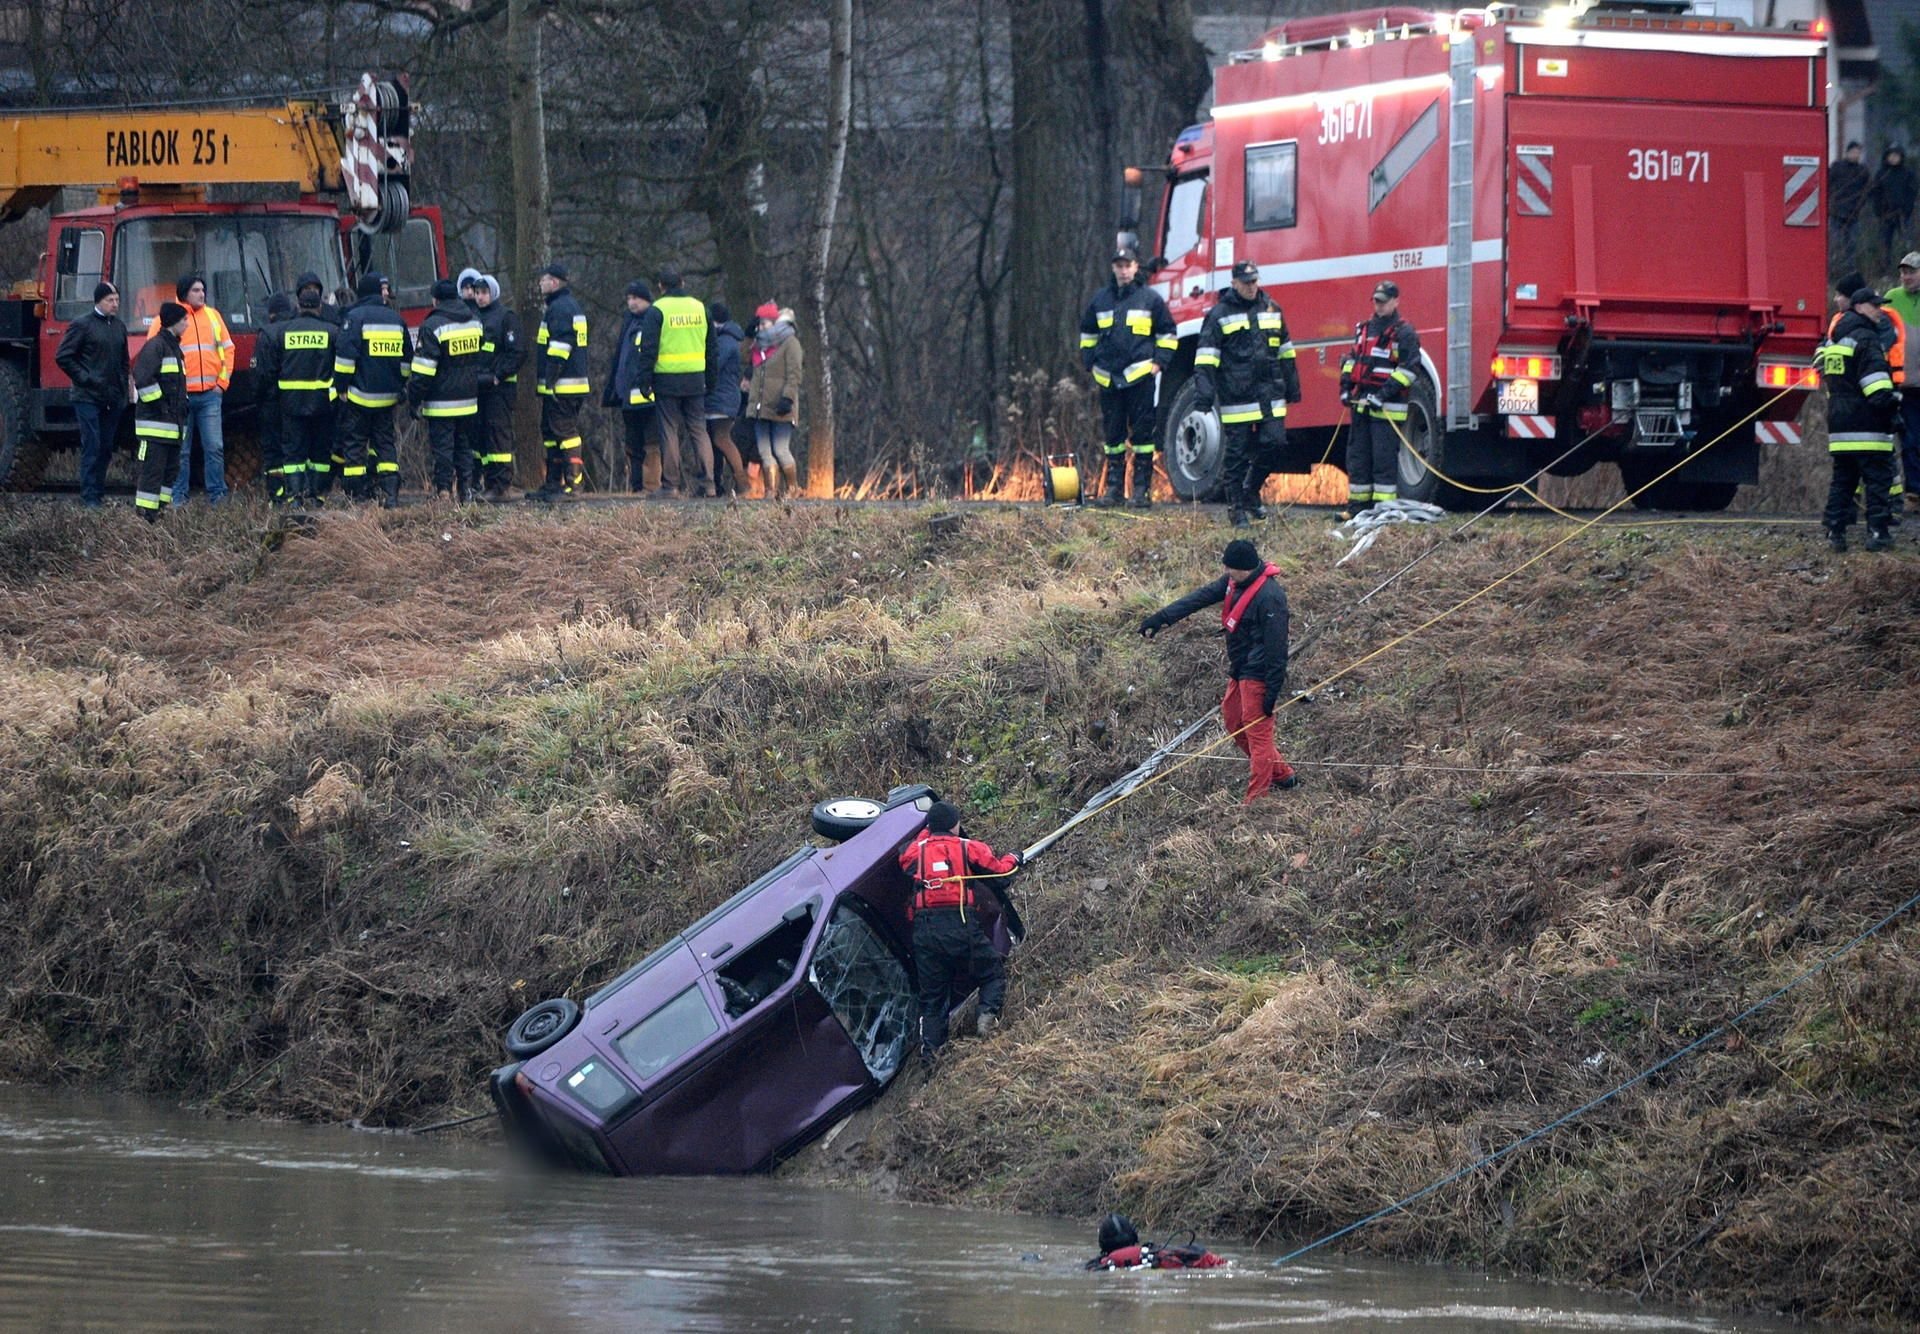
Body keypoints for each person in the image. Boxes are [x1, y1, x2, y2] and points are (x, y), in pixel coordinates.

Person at [1139, 538, 1297, 802]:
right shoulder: (1233, 583)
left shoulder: (1271, 597)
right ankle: (1282, 774)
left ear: (1243, 568)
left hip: (1258, 673)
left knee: (1258, 734)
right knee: (1234, 721)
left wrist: (1272, 689)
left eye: (1229, 567)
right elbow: (1198, 598)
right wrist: (1161, 618)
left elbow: (1277, 648)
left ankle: (1256, 801)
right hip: (1240, 666)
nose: (1225, 572)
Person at [896, 800, 1020, 1065]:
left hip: (925, 932)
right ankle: (986, 1017)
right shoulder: (968, 847)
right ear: (955, 825)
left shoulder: (913, 853)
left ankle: (931, 1060)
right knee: (992, 973)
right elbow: (1001, 873)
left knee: (932, 1000)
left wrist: (927, 832)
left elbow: (904, 857)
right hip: (960, 924)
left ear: (929, 827)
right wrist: (1015, 857)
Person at [1189, 259, 1300, 527]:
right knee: (1236, 455)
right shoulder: (1219, 314)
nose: (1252, 287)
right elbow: (1205, 359)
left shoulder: (1273, 309)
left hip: (1269, 394)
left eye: (1255, 281)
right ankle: (1236, 508)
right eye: (1246, 282)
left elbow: (1286, 351)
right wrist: (1204, 393)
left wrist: (1293, 386)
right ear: (1234, 283)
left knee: (1276, 444)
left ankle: (1250, 492)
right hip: (1237, 396)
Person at [1078, 245, 1176, 508]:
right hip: (1108, 378)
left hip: (1140, 376)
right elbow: (1087, 334)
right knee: (1113, 436)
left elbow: (1167, 334)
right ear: (1113, 268)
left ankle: (1141, 491)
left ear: (1136, 267)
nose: (1123, 270)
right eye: (1119, 265)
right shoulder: (1100, 300)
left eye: (1127, 265)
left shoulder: (1151, 299)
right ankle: (1114, 490)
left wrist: (1159, 364)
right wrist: (1089, 362)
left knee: (1143, 436)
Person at [1817, 288, 1898, 552]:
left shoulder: (1834, 340)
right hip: (1868, 426)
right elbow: (1875, 386)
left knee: (1843, 481)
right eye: (1875, 306)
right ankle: (1878, 533)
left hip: (1839, 427)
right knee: (1877, 480)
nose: (1880, 311)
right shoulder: (1867, 339)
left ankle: (1834, 532)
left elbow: (1825, 371)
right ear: (1860, 307)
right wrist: (1892, 409)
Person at [1339, 279, 1420, 518]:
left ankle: (1382, 514)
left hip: (1387, 410)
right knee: (1358, 461)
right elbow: (1352, 362)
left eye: (1383, 302)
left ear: (1396, 301)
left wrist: (1382, 395)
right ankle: (1357, 512)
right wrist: (1345, 389)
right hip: (1362, 406)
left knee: (1383, 464)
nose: (1379, 306)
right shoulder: (1365, 329)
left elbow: (1408, 371)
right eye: (1376, 301)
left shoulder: (1404, 333)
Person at [150, 274, 233, 505]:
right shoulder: (165, 318)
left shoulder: (213, 316)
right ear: (184, 293)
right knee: (181, 452)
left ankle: (218, 496)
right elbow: (153, 352)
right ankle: (178, 498)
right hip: (180, 398)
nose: (201, 294)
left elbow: (228, 350)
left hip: (209, 395)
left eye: (202, 290)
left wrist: (221, 384)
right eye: (196, 290)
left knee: (214, 447)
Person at [253, 284, 339, 507]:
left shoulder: (283, 332)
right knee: (320, 452)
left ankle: (293, 498)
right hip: (322, 403)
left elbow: (273, 370)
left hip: (290, 403)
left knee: (294, 453)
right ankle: (318, 496)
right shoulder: (331, 332)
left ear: (298, 307)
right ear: (320, 307)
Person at [641, 269, 720, 496]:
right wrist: (711, 380)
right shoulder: (700, 308)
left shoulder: (658, 310)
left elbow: (648, 349)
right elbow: (712, 349)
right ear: (683, 283)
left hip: (666, 378)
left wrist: (644, 380)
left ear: (660, 286)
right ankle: (709, 484)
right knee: (699, 430)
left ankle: (671, 485)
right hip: (696, 378)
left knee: (669, 431)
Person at [336, 272, 411, 509]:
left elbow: (345, 358)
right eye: (384, 289)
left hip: (359, 396)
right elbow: (407, 362)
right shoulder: (396, 320)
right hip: (388, 397)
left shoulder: (354, 318)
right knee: (385, 445)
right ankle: (391, 495)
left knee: (356, 446)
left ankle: (358, 496)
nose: (387, 293)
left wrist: (341, 387)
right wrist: (400, 387)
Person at [410, 277, 487, 502]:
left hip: (441, 401)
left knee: (443, 449)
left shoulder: (433, 326)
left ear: (436, 300)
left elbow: (424, 371)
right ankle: (466, 490)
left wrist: (414, 399)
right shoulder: (475, 321)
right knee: (464, 445)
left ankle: (443, 491)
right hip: (469, 398)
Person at [54, 280, 129, 508]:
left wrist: (123, 387)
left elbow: (123, 360)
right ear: (99, 301)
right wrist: (86, 378)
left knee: (106, 446)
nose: (115, 304)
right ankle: (89, 496)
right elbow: (63, 356)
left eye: (116, 300)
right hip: (86, 396)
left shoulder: (119, 326)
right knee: (92, 445)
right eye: (110, 300)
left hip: (112, 397)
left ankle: (98, 491)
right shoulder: (82, 325)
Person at [534, 262, 591, 499]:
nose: (540, 283)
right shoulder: (568, 306)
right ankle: (553, 484)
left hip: (563, 385)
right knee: (551, 433)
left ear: (554, 282)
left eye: (543, 280)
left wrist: (550, 379)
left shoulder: (560, 309)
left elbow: (560, 347)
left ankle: (573, 484)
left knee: (565, 432)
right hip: (565, 384)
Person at [606, 280, 668, 494]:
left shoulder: (652, 320)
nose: (631, 303)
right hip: (627, 394)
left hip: (646, 393)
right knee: (633, 443)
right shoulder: (628, 322)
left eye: (635, 298)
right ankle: (636, 485)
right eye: (629, 299)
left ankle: (651, 485)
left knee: (651, 442)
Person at [131, 301, 191, 520]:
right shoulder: (155, 346)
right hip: (155, 427)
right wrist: (161, 407)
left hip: (172, 428)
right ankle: (145, 516)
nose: (187, 323)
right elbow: (143, 379)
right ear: (174, 322)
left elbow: (176, 386)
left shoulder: (175, 349)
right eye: (184, 319)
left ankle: (160, 513)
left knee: (169, 472)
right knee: (151, 472)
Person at [472, 272, 524, 500]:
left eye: (484, 293)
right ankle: (489, 482)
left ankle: (502, 484)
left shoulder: (506, 317)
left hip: (499, 388)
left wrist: (498, 375)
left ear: (493, 293)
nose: (480, 297)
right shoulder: (473, 317)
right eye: (477, 293)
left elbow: (517, 352)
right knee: (482, 436)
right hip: (478, 387)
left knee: (499, 434)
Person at [747, 304, 805, 498]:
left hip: (781, 406)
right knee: (765, 451)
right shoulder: (758, 345)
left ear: (774, 323)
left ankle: (792, 488)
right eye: (759, 324)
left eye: (764, 323)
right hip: (760, 406)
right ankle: (771, 491)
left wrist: (788, 397)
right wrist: (748, 335)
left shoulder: (790, 343)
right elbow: (741, 355)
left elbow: (794, 374)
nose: (761, 328)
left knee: (780, 450)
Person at [1883, 252, 1920, 514]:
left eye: (1912, 272)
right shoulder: (1892, 298)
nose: (1906, 277)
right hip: (1906, 385)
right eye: (1903, 272)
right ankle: (1914, 494)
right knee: (1910, 441)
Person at [704, 300, 750, 497]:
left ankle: (742, 483)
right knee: (716, 441)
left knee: (721, 439)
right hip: (725, 398)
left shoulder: (723, 342)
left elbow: (713, 367)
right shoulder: (732, 340)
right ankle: (719, 483)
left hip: (720, 398)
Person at [255, 290, 296, 503]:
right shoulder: (297, 331)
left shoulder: (267, 334)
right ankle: (296, 492)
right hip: (297, 401)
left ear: (271, 314)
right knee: (294, 449)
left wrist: (258, 398)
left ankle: (277, 495)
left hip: (272, 402)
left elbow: (261, 374)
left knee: (273, 451)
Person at [1084, 1213, 1226, 1271]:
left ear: (1102, 1244)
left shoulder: (1099, 1265)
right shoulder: (1160, 1253)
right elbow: (1216, 1261)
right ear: (1134, 1235)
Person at [1868, 146, 1918, 266]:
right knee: (1885, 244)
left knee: (1906, 243)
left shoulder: (1908, 174)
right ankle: (1884, 270)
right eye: (1891, 155)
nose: (1894, 158)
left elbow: (1912, 192)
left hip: (1903, 215)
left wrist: (1907, 209)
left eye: (1896, 155)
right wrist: (1879, 211)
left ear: (1901, 157)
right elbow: (1875, 193)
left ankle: (1908, 269)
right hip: (1885, 215)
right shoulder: (1881, 173)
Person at [1829, 141, 1870, 267]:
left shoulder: (1862, 170)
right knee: (1834, 242)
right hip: (1836, 212)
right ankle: (1833, 266)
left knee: (1852, 244)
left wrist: (1860, 205)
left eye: (1858, 153)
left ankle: (1849, 267)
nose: (1855, 155)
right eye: (1853, 152)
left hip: (1854, 213)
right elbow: (1828, 185)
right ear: (1847, 153)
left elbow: (1866, 190)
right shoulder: (1837, 167)